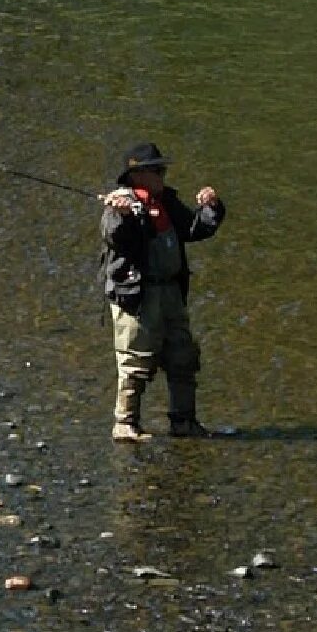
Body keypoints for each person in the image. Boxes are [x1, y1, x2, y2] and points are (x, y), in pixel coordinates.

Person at [99, 143, 225, 442]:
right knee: (134, 361)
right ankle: (125, 424)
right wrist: (122, 215)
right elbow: (115, 238)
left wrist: (212, 207)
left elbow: (195, 228)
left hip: (170, 293)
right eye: (157, 170)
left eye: (162, 169)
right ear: (138, 174)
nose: (163, 174)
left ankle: (184, 422)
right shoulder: (118, 205)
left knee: (183, 356)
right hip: (137, 297)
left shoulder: (166, 201)